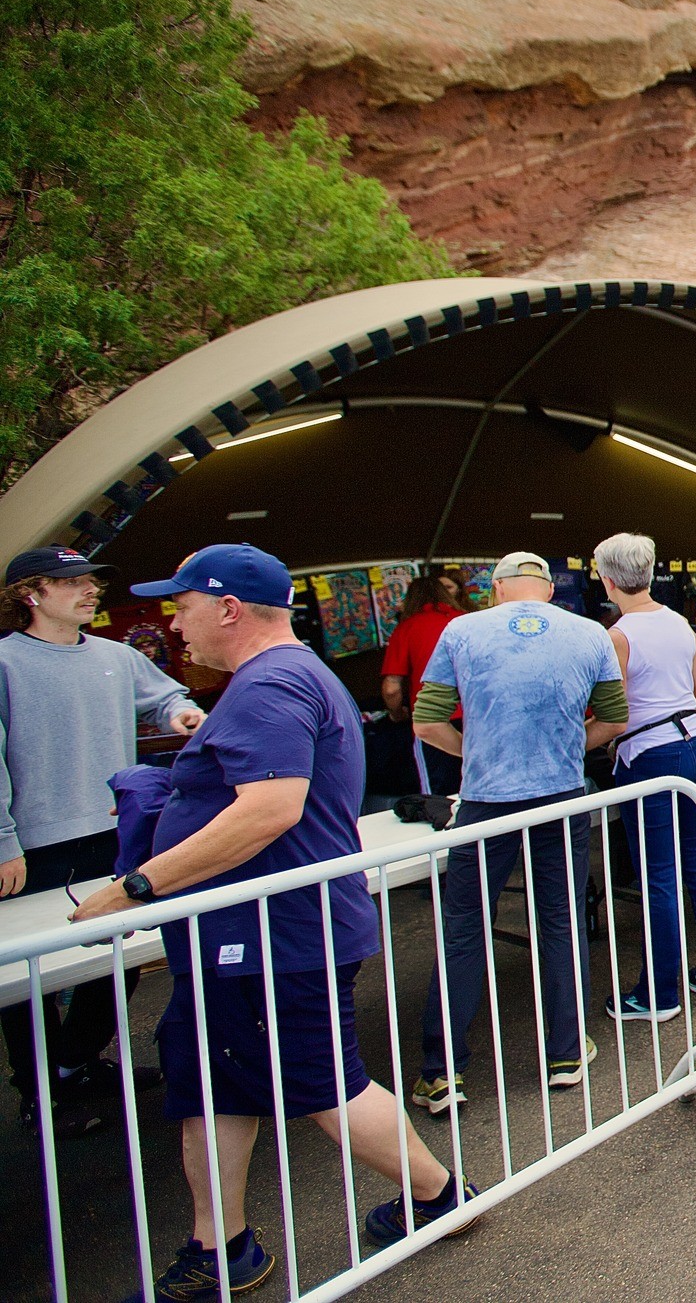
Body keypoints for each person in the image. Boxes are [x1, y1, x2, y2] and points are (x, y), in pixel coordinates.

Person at [69, 544, 472, 1296]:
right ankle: (221, 1245)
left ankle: (438, 1195)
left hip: (270, 933)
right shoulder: (286, 675)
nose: (172, 619)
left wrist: (138, 887)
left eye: (181, 603)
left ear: (226, 607)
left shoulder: (270, 683)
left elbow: (270, 806)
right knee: (219, 1083)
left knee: (326, 1085)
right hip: (257, 932)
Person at [410, 552, 627, 1111]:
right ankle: (564, 1054)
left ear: (499, 589)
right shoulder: (591, 634)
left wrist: (472, 754)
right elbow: (614, 718)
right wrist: (565, 750)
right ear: (549, 590)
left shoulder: (462, 630)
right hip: (560, 794)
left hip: (486, 800)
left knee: (463, 929)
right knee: (560, 920)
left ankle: (443, 1072)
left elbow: (427, 719)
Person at [1, 546, 202, 1137]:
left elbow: (165, 697)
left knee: (116, 956)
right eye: (73, 582)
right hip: (31, 847)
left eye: (91, 580)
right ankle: (39, 1089)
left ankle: (74, 1061)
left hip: (116, 830)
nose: (90, 590)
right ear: (30, 594)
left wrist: (181, 714)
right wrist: (4, 840)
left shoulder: (118, 656)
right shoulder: (5, 662)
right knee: (29, 976)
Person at [594, 533, 696, 1021]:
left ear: (609, 581)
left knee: (659, 877)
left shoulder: (618, 635)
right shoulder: (680, 623)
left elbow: (614, 716)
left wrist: (584, 740)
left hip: (651, 756)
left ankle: (658, 994)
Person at [379, 570, 470, 797]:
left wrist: (397, 714)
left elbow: (391, 688)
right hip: (475, 716)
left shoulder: (407, 628)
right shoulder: (467, 621)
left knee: (437, 797)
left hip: (431, 722)